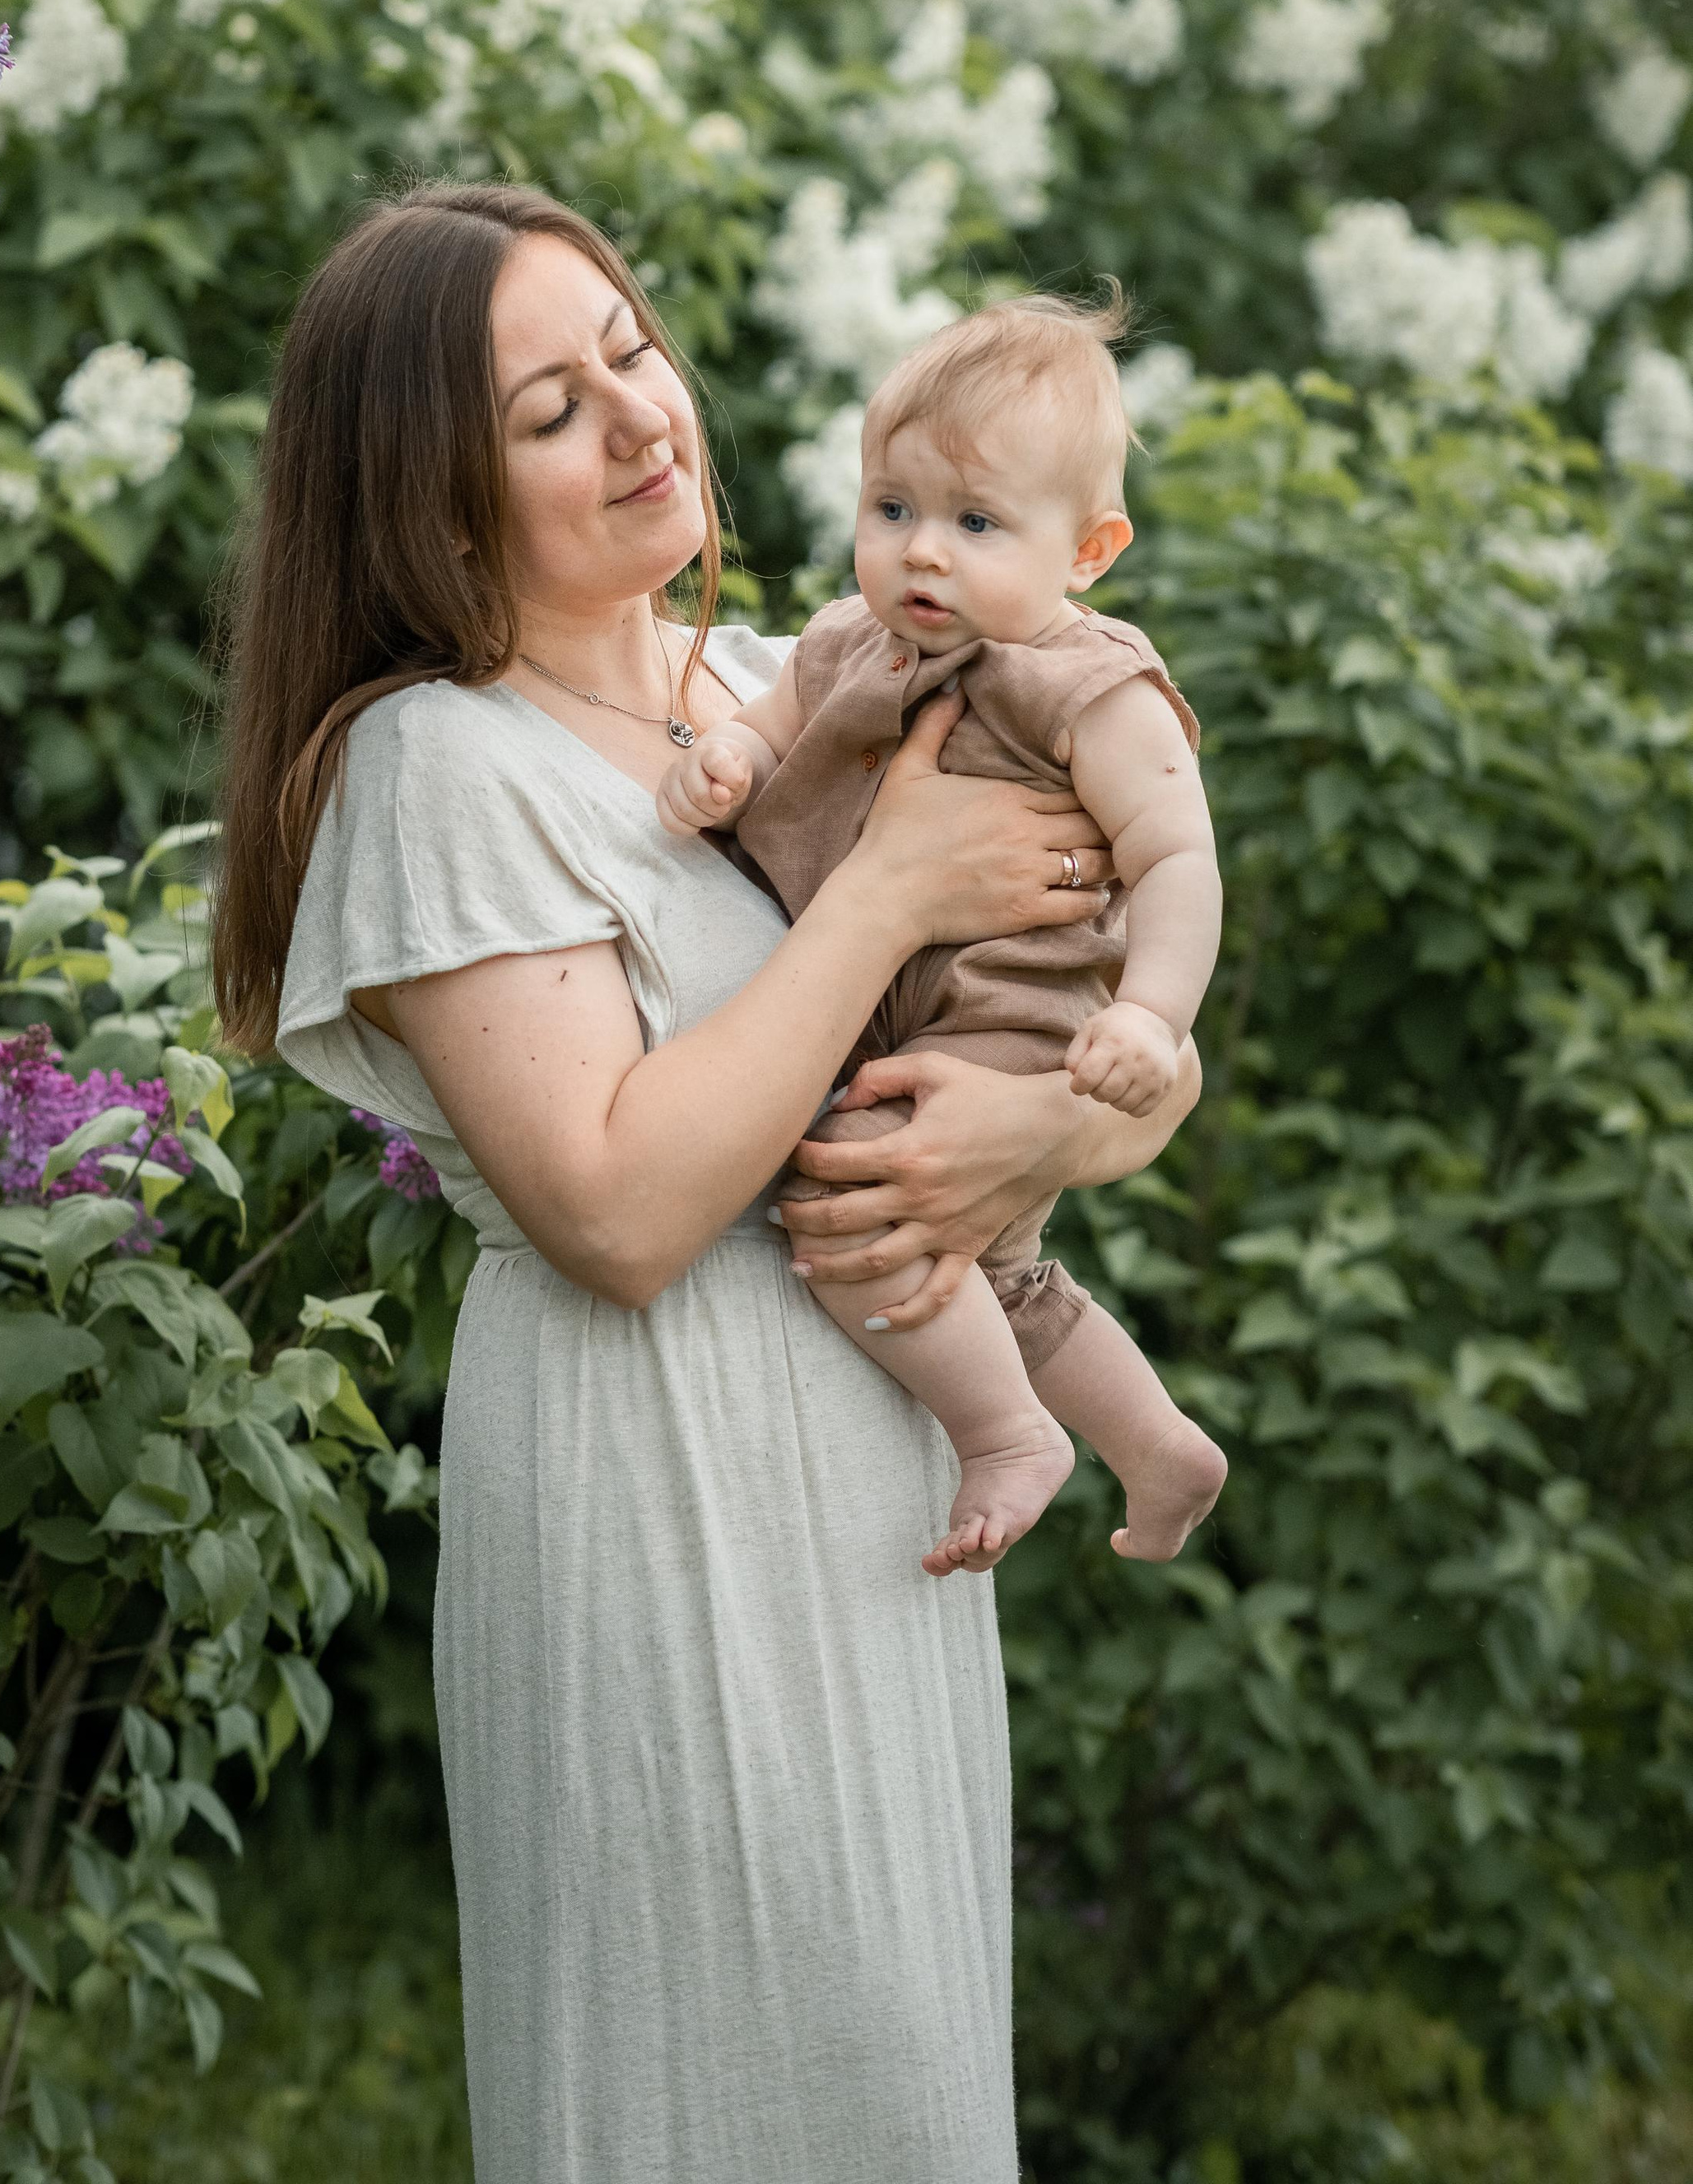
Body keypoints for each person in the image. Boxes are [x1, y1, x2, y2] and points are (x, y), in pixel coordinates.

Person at [212, 183, 1202, 2184]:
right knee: (705, 2075)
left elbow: (1089, 1010)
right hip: (656, 1493)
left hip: (889, 1492)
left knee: (890, 2089)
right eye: (547, 409)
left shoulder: (807, 688)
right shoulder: (440, 763)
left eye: (629, 352)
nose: (639, 417)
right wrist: (899, 889)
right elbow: (618, 1209)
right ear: (431, 492)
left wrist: (1060, 1128)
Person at [657, 290, 1228, 1578]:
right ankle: (1160, 1442)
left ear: (1088, 552)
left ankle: (1007, 1435)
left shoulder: (1087, 683)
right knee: (1000, 1271)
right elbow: (768, 719)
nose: (923, 554)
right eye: (894, 510)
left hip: (1008, 1014)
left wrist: (1152, 1013)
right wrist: (727, 767)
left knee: (853, 1192)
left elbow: (1177, 858)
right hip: (890, 1008)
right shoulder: (846, 644)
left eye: (977, 524)